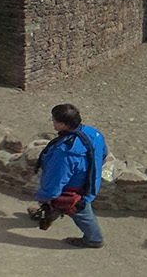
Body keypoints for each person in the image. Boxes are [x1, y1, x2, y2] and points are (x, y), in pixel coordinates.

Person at [34, 104, 111, 248]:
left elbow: (55, 181)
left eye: (54, 120)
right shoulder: (94, 133)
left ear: (63, 124)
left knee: (81, 212)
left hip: (75, 190)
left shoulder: (64, 152)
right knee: (60, 203)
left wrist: (44, 197)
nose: (53, 122)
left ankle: (94, 239)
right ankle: (48, 215)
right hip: (90, 180)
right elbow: (104, 154)